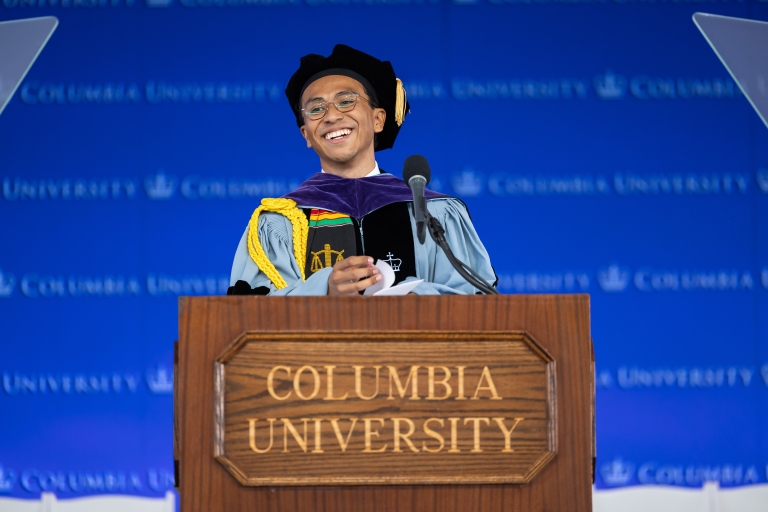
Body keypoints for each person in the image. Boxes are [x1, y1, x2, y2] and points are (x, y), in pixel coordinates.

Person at [228, 44, 496, 296]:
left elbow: (478, 298)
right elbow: (250, 310)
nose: (331, 116)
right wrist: (324, 291)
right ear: (306, 135)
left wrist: (419, 299)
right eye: (316, 109)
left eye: (346, 101)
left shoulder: (432, 212)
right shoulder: (281, 221)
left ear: (378, 119)